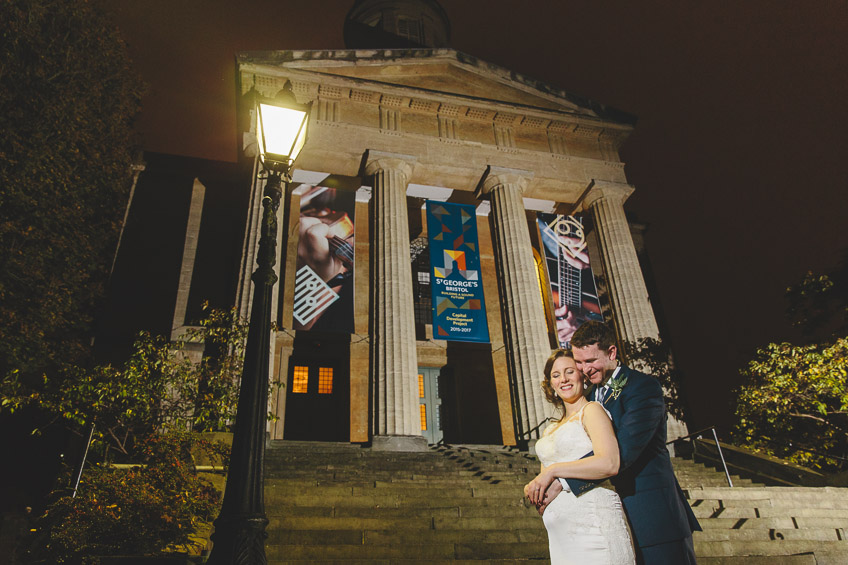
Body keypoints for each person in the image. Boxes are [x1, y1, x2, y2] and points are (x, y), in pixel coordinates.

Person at [540, 321, 701, 564]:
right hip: (609, 517)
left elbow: (624, 449)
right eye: (579, 362)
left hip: (652, 513)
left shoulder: (642, 387)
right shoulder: (591, 395)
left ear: (612, 353)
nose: (584, 369)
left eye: (590, 361)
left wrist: (561, 481)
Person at [525, 349, 635, 564]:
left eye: (569, 372)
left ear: (582, 377)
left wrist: (554, 470)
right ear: (551, 384)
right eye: (556, 375)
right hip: (561, 536)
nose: (563, 379)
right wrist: (533, 488)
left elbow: (609, 463)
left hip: (595, 526)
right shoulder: (550, 429)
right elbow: (544, 478)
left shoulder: (592, 410)